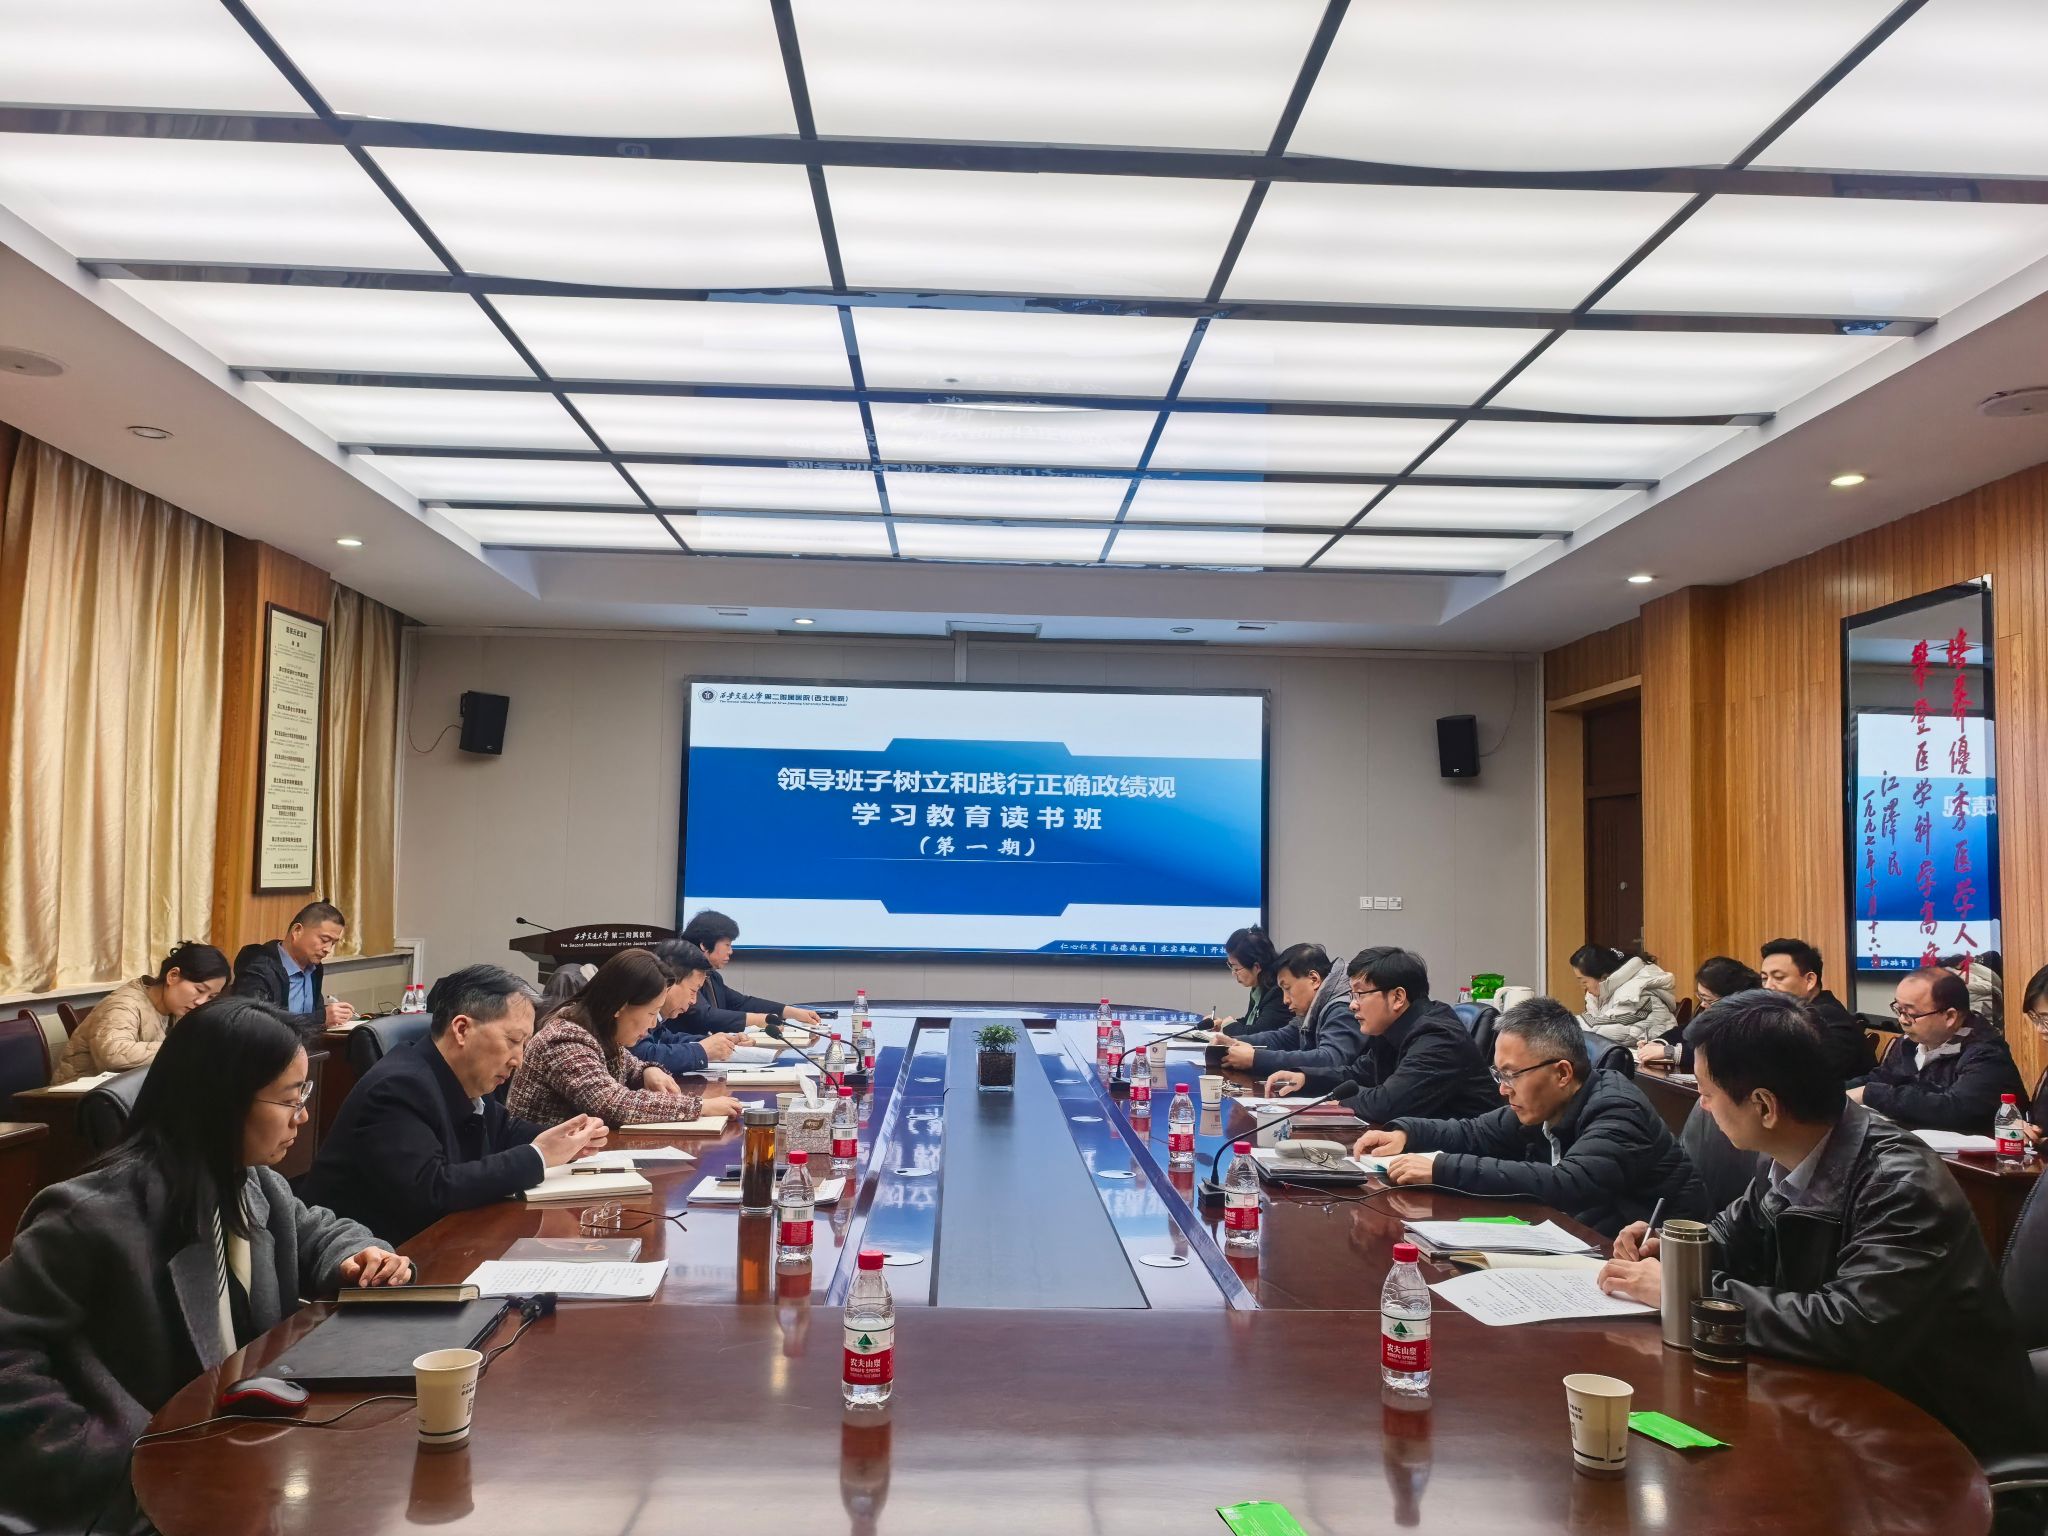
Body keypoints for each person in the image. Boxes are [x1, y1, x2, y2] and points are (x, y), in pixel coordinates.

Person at [0, 997, 410, 1531]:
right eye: (291, 1098)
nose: (303, 1115)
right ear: (223, 1103)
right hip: (144, 1487)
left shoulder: (252, 1181)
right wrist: (97, 1455)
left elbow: (315, 1229)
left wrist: (356, 1256)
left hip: (242, 1453)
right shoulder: (91, 1216)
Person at [1597, 989, 2043, 1462]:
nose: (1703, 1108)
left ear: (1764, 1106)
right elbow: (1732, 1234)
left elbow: (1850, 1326)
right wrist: (1672, 1248)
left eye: (1708, 1094)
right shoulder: (1794, 1150)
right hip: (1835, 1409)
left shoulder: (1898, 1182)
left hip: (1936, 1436)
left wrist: (1683, 1292)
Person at [301, 965, 611, 1245]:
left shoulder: (467, 1074)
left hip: (438, 1243)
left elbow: (503, 1129)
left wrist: (566, 1140)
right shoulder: (398, 1087)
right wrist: (539, 1156)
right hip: (372, 1262)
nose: (518, 1059)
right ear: (462, 1029)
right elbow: (432, 1190)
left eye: (525, 1044)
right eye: (513, 1040)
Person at [1352, 996, 1709, 1237]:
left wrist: (1441, 1167)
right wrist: (1407, 1134)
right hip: (1580, 1239)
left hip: (1651, 1263)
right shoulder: (1547, 1103)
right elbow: (1476, 1132)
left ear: (1562, 1073)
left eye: (1511, 1075)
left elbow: (1567, 1184)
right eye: (1499, 1074)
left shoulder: (1617, 1110)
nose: (1502, 1089)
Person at [506, 947, 745, 1128]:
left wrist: (647, 1071)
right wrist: (700, 1106)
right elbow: (613, 1104)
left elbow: (632, 1066)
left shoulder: (600, 1030)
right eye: (651, 1013)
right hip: (546, 1168)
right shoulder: (566, 1039)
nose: (653, 1024)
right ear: (620, 1006)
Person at [1262, 947, 1497, 1123]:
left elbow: (1387, 1103)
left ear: (1397, 997)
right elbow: (1359, 1074)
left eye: (1360, 994)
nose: (1352, 1005)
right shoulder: (1392, 1029)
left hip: (1466, 1157)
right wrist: (1307, 1078)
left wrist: (1337, 1102)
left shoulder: (1438, 1037)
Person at [1848, 967, 2025, 1133]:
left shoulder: (1986, 1053)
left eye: (1910, 1013)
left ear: (1950, 1016)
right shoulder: (1910, 1043)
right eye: (1898, 1009)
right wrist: (1836, 1091)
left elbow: (1956, 1110)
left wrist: (1871, 1094)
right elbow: (1881, 1078)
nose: (1902, 1020)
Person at [50, 940, 231, 1084]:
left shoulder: (178, 1007)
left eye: (211, 997)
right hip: (76, 1100)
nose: (201, 1002)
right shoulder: (124, 1003)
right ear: (173, 976)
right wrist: (185, 1048)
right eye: (199, 990)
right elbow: (114, 1055)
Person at [1208, 942, 1366, 1080]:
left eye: (1287, 988)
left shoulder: (1342, 1008)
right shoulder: (1315, 1006)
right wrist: (1235, 1042)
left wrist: (1256, 1059)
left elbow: (1330, 1060)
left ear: (1314, 979)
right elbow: (1284, 1037)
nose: (1285, 1000)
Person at [667, 910, 823, 1036]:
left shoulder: (712, 976)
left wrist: (791, 1012)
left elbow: (741, 1003)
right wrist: (758, 1019)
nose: (731, 951)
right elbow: (705, 1016)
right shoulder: (681, 973)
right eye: (727, 945)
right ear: (704, 945)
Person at [1758, 937, 1873, 1082]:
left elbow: (1804, 1078)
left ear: (1810, 980)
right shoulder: (1791, 1014)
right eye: (1764, 979)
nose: (1768, 987)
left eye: (1778, 977)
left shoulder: (1828, 1019)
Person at [231, 899, 355, 1033]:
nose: (328, 949)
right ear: (297, 931)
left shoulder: (314, 968)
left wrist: (333, 1015)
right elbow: (253, 1021)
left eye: (333, 943)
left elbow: (311, 1015)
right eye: (324, 940)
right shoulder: (259, 968)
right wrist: (321, 1018)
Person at [632, 939, 746, 1076]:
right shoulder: (635, 1007)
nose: (694, 1001)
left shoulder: (657, 1018)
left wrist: (723, 1042)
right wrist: (702, 1051)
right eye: (693, 991)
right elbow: (643, 1055)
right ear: (669, 980)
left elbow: (670, 1039)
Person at [1637, 956, 1759, 1070]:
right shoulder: (1712, 1013)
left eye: (1708, 999)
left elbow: (1718, 1053)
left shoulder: (1749, 1018)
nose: (1702, 1004)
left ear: (1731, 998)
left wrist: (1669, 1052)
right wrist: (1658, 1043)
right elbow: (1684, 1031)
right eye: (1700, 997)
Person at [1570, 944, 1680, 1047]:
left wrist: (1565, 1022)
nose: (1583, 987)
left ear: (1604, 977)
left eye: (1584, 982)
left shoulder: (1635, 991)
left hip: (1660, 1057)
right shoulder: (1602, 993)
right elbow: (1594, 1022)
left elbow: (1601, 1029)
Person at [1208, 926, 1290, 1039]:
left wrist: (1229, 1027)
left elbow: (1258, 1033)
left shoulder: (1279, 992)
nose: (1233, 973)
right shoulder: (1259, 986)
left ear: (1256, 967)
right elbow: (1250, 1022)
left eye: (1236, 968)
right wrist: (1222, 1024)